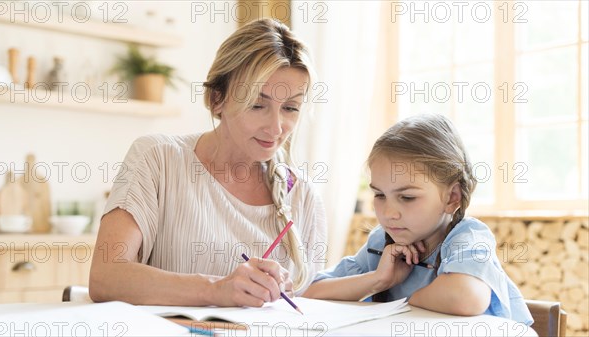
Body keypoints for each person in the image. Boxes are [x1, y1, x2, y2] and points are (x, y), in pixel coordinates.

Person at [89, 18, 327, 307]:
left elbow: (309, 297)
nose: (277, 127)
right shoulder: (158, 159)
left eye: (290, 108)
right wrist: (215, 289)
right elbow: (106, 276)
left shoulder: (304, 196)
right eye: (257, 105)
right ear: (217, 99)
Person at [303, 114, 533, 325]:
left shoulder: (467, 237)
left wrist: (396, 305)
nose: (389, 213)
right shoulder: (381, 242)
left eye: (407, 197)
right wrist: (379, 279)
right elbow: (312, 291)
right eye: (380, 195)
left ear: (452, 197)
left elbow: (465, 297)